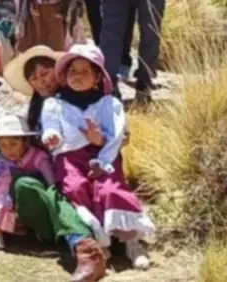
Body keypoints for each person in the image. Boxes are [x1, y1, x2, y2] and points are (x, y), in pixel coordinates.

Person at [40, 43, 153, 269]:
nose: (78, 76)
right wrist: (51, 137)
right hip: (69, 159)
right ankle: (99, 242)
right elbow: (51, 127)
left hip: (104, 156)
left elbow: (116, 135)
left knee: (110, 189)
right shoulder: (54, 104)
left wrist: (100, 150)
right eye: (73, 71)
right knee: (75, 188)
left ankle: (131, 242)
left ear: (97, 77)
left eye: (85, 72)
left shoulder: (109, 104)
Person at [0, 114, 107, 281]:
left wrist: (51, 189)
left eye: (14, 144)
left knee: (38, 189)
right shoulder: (0, 164)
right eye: (4, 145)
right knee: (17, 184)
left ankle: (87, 251)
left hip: (46, 205)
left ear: (25, 142)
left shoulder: (38, 158)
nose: (9, 150)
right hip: (25, 216)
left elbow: (51, 183)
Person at [3, 44, 62, 137]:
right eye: (34, 78)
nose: (41, 81)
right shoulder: (33, 110)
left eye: (44, 74)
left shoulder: (73, 101)